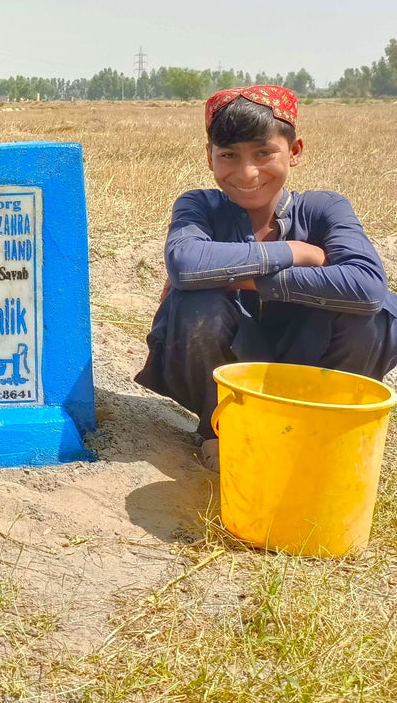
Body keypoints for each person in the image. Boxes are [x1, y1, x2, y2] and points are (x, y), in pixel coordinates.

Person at [135, 85, 397, 471]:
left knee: (372, 314)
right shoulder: (199, 205)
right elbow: (186, 264)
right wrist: (296, 253)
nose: (247, 173)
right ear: (210, 157)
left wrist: (247, 280)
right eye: (229, 155)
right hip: (227, 370)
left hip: (312, 361)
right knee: (195, 301)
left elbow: (367, 286)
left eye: (264, 153)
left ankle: (319, 430)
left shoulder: (324, 208)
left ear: (294, 151)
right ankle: (219, 429)